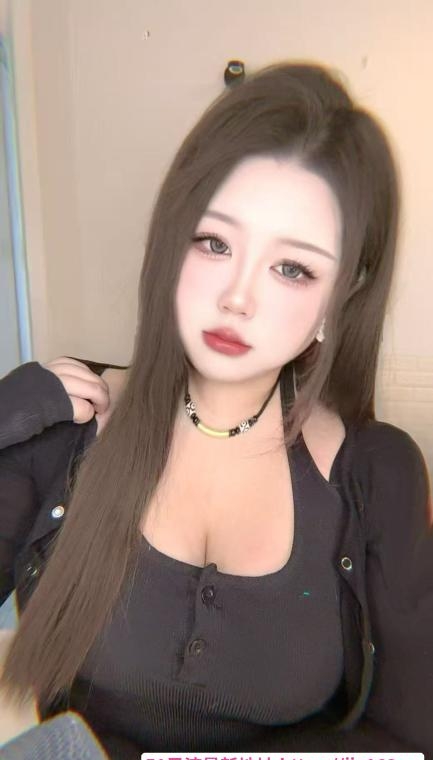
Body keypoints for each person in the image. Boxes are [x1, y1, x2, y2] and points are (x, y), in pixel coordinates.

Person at [0, 61, 432, 759]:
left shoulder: (375, 475)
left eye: (292, 268)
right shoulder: (64, 424)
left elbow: (408, 735)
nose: (237, 297)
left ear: (341, 295)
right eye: (214, 242)